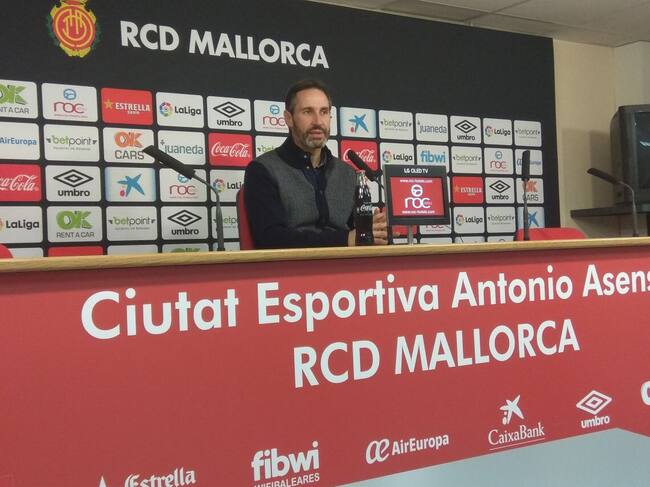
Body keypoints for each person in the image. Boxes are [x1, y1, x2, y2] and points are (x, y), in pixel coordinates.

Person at [244, 79, 387, 249]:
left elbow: (355, 233)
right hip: (292, 265)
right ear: (289, 118)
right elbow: (271, 239)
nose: (318, 121)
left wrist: (370, 230)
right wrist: (345, 239)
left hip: (346, 264)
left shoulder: (347, 173)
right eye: (307, 112)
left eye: (324, 112)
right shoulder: (262, 170)